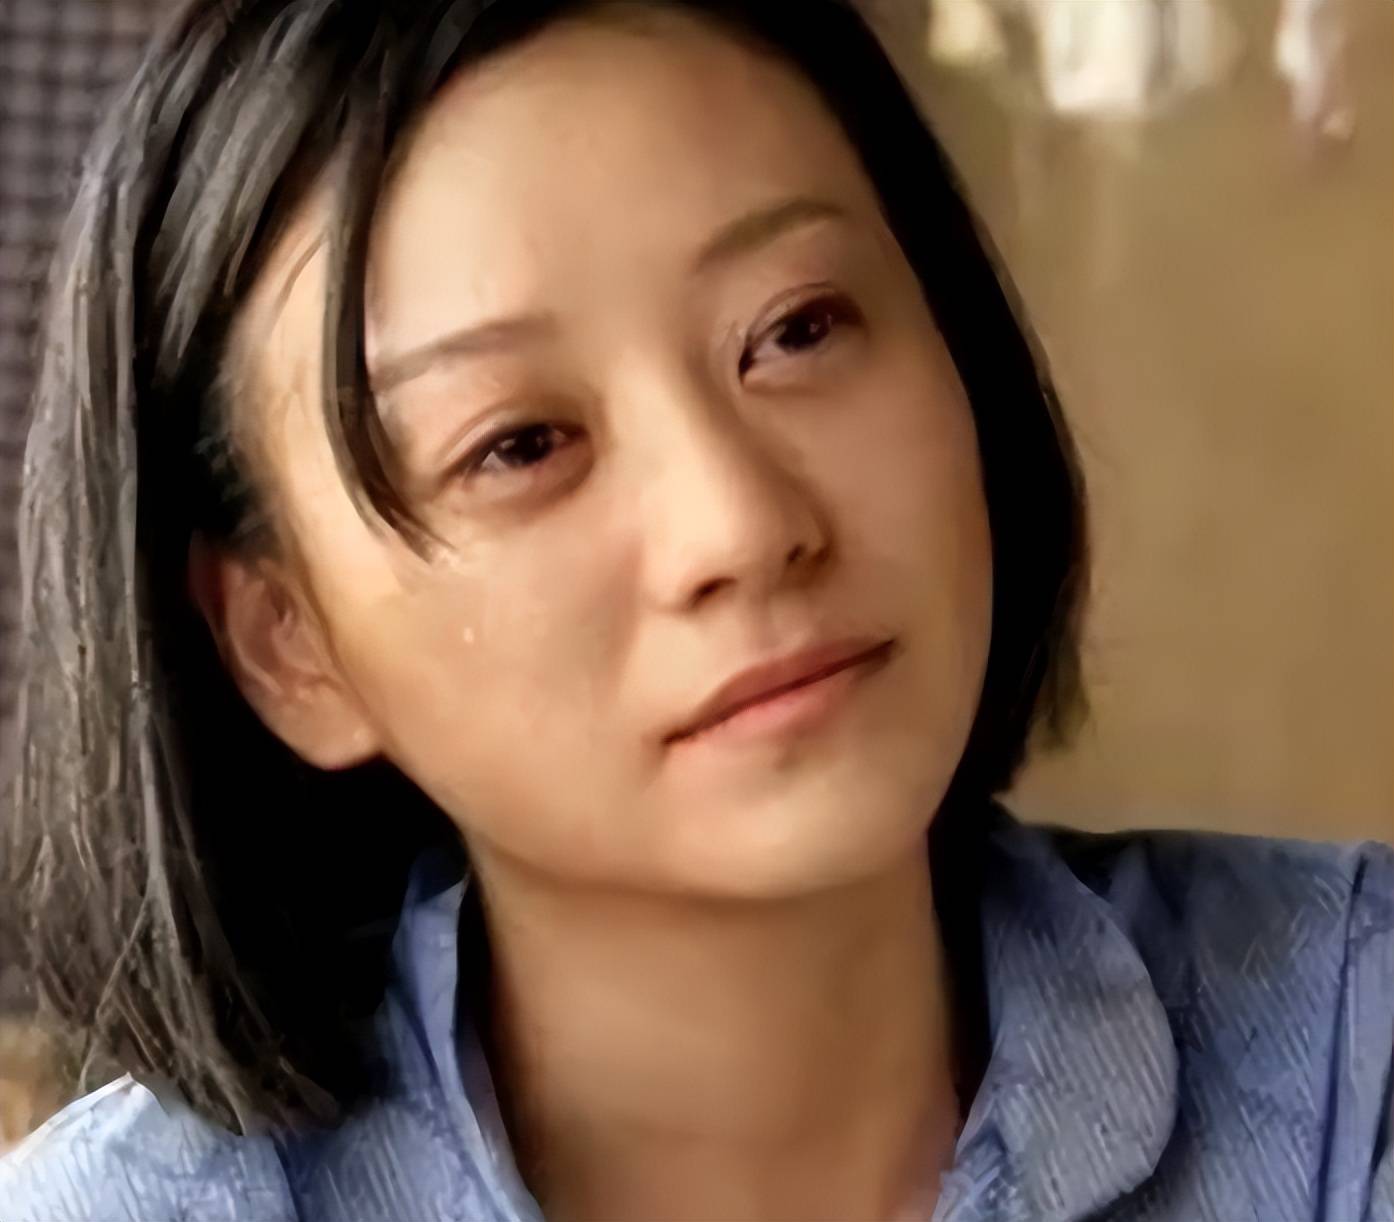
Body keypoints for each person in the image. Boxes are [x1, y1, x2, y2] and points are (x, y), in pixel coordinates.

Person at [0, 1, 1389, 1219]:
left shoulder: (1351, 1054)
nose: (740, 521)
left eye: (797, 329)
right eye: (519, 445)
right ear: (287, 644)